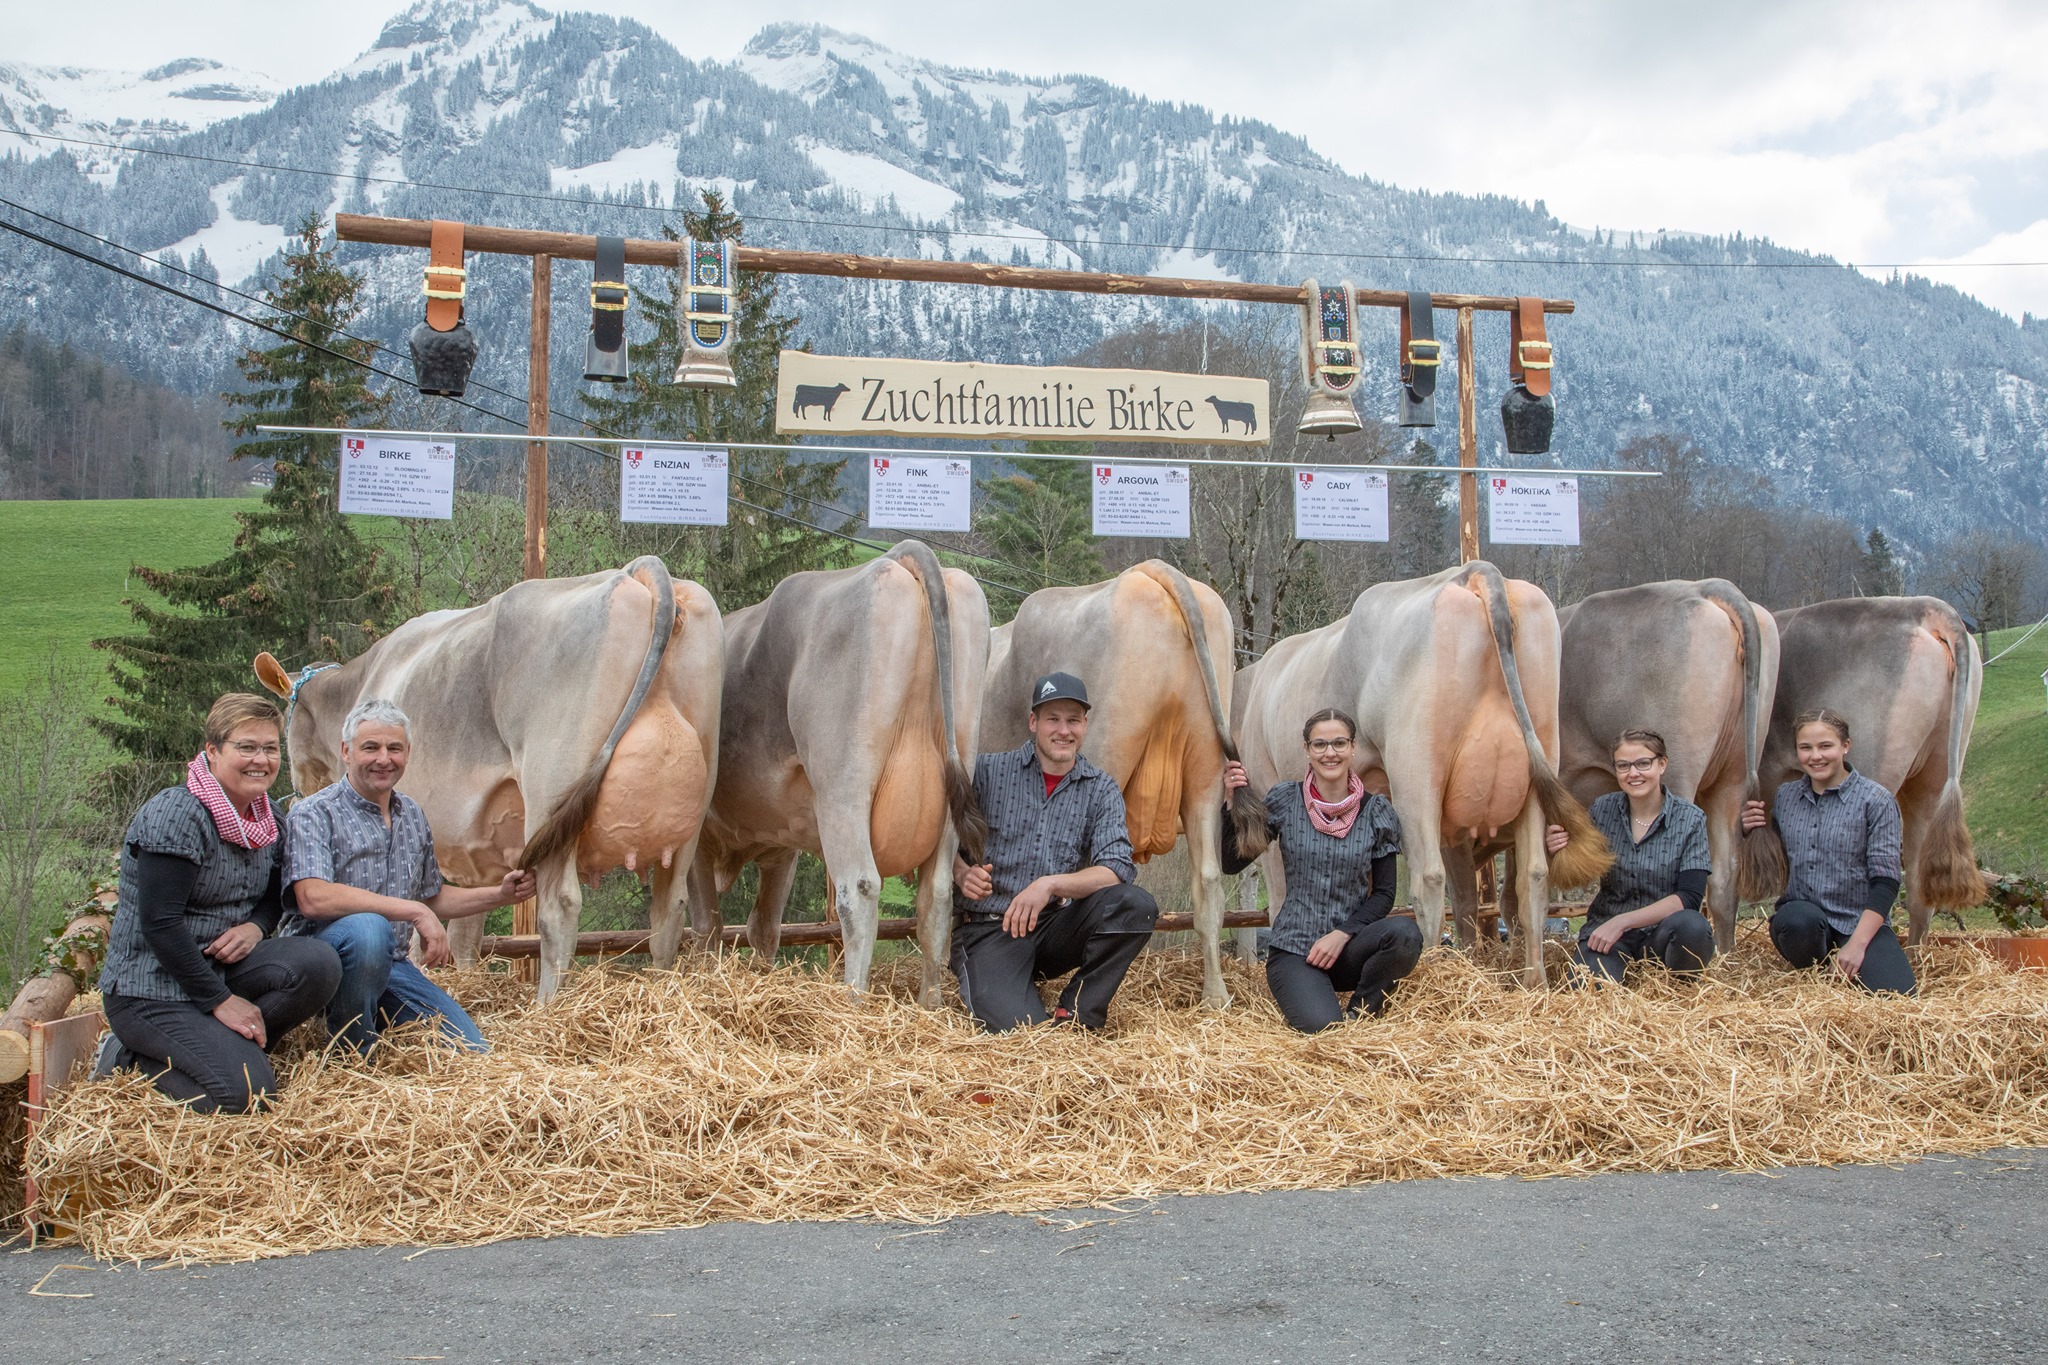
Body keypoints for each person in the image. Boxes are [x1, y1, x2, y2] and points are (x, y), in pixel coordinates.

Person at [93, 694, 342, 1113]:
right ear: (212, 750)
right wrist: (221, 1003)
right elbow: (160, 924)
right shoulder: (178, 813)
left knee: (318, 964)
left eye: (269, 748)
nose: (260, 760)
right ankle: (127, 1056)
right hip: (150, 989)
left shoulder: (266, 818)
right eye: (246, 747)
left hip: (218, 971)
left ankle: (228, 1048)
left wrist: (256, 928)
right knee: (245, 1096)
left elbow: (273, 895)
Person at [282, 699, 535, 1051]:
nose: (383, 758)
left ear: (407, 753)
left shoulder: (411, 815)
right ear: (346, 751)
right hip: (317, 964)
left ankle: (372, 1012)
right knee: (369, 928)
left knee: (471, 1048)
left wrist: (501, 895)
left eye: (394, 748)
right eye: (370, 747)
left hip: (387, 967)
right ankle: (353, 1054)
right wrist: (414, 912)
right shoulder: (313, 812)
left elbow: (431, 896)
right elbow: (313, 898)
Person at [950, 672, 1159, 1031]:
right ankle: (1009, 993)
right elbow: (937, 832)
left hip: (1053, 928)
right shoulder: (986, 772)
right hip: (990, 930)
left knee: (1135, 905)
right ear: (1034, 722)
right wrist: (959, 871)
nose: (1064, 730)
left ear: (1085, 725)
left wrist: (1049, 885)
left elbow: (1115, 867)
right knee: (1023, 1035)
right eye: (1053, 719)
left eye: (1073, 720)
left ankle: (1078, 1011)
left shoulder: (1101, 788)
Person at [1221, 708, 1421, 1032]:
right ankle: (1318, 1003)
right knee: (1324, 1030)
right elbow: (1231, 864)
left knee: (1405, 935)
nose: (1330, 753)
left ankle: (1362, 1014)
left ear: (1353, 748)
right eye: (1320, 744)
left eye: (1339, 743)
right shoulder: (1286, 800)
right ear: (1307, 750)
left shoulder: (1376, 812)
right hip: (1295, 950)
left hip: (1349, 948)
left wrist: (1342, 934)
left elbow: (1384, 894)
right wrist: (1230, 805)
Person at [1740, 707, 1913, 994]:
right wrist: (1750, 832)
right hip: (1803, 924)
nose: (1815, 756)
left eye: (1825, 746)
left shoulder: (1877, 801)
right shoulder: (1786, 796)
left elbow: (1885, 882)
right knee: (1797, 921)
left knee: (1898, 996)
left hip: (1859, 925)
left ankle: (1846, 961)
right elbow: (1778, 864)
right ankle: (1815, 974)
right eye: (1805, 748)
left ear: (1845, 746)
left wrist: (1857, 947)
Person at [1544, 729, 1717, 984]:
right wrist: (1559, 849)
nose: (1633, 773)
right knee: (1587, 988)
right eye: (1623, 765)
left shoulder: (1690, 819)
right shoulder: (1602, 810)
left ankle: (1678, 989)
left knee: (1694, 928)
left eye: (1643, 763)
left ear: (1662, 764)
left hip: (1662, 935)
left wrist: (1623, 921)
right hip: (1608, 938)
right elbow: (1578, 874)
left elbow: (1689, 897)